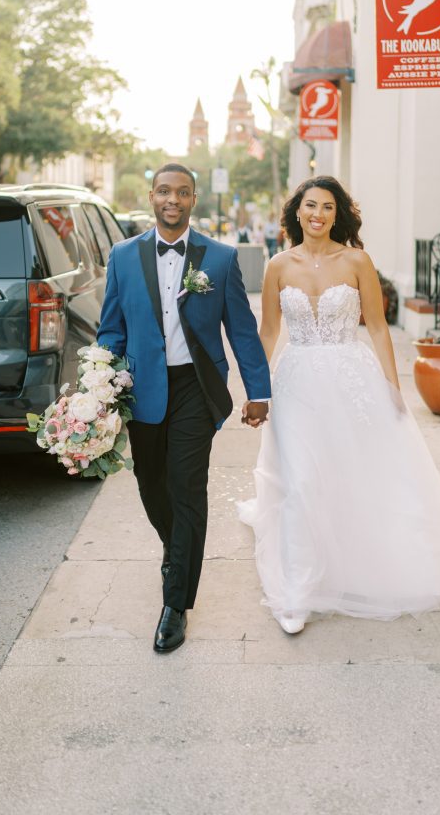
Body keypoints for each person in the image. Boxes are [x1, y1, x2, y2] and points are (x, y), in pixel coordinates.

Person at [238, 176, 440, 635]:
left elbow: (376, 326)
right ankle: (297, 591)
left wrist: (393, 388)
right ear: (297, 211)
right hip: (295, 382)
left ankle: (356, 560)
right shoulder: (278, 265)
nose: (318, 214)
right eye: (310, 205)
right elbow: (270, 330)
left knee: (354, 472)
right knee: (298, 480)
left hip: (351, 380)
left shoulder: (357, 260)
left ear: (338, 215)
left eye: (328, 207)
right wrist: (258, 389)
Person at [98, 163, 271, 653]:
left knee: (186, 485)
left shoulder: (218, 258)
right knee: (151, 484)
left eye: (183, 193)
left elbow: (241, 327)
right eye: (164, 191)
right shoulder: (123, 256)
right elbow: (111, 328)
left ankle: (176, 603)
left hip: (197, 385)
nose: (173, 200)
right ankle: (178, 552)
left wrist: (258, 390)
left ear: (194, 200)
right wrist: (102, 383)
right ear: (151, 196)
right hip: (142, 387)